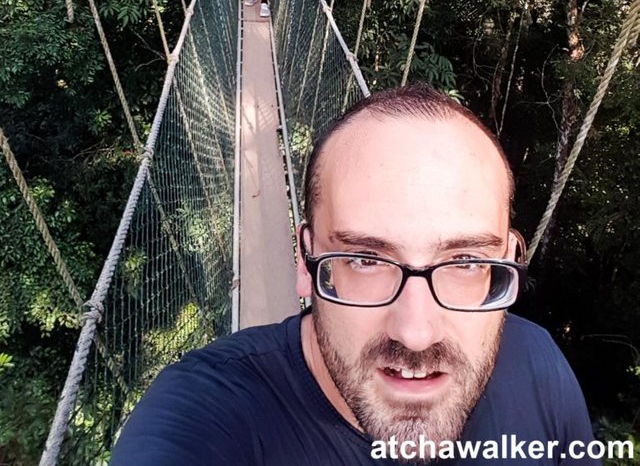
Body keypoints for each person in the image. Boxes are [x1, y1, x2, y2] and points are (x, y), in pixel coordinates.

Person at [111, 84, 601, 465]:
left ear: (509, 259)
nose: (415, 332)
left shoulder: (540, 365)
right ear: (304, 262)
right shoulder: (208, 414)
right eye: (366, 260)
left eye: (465, 262)